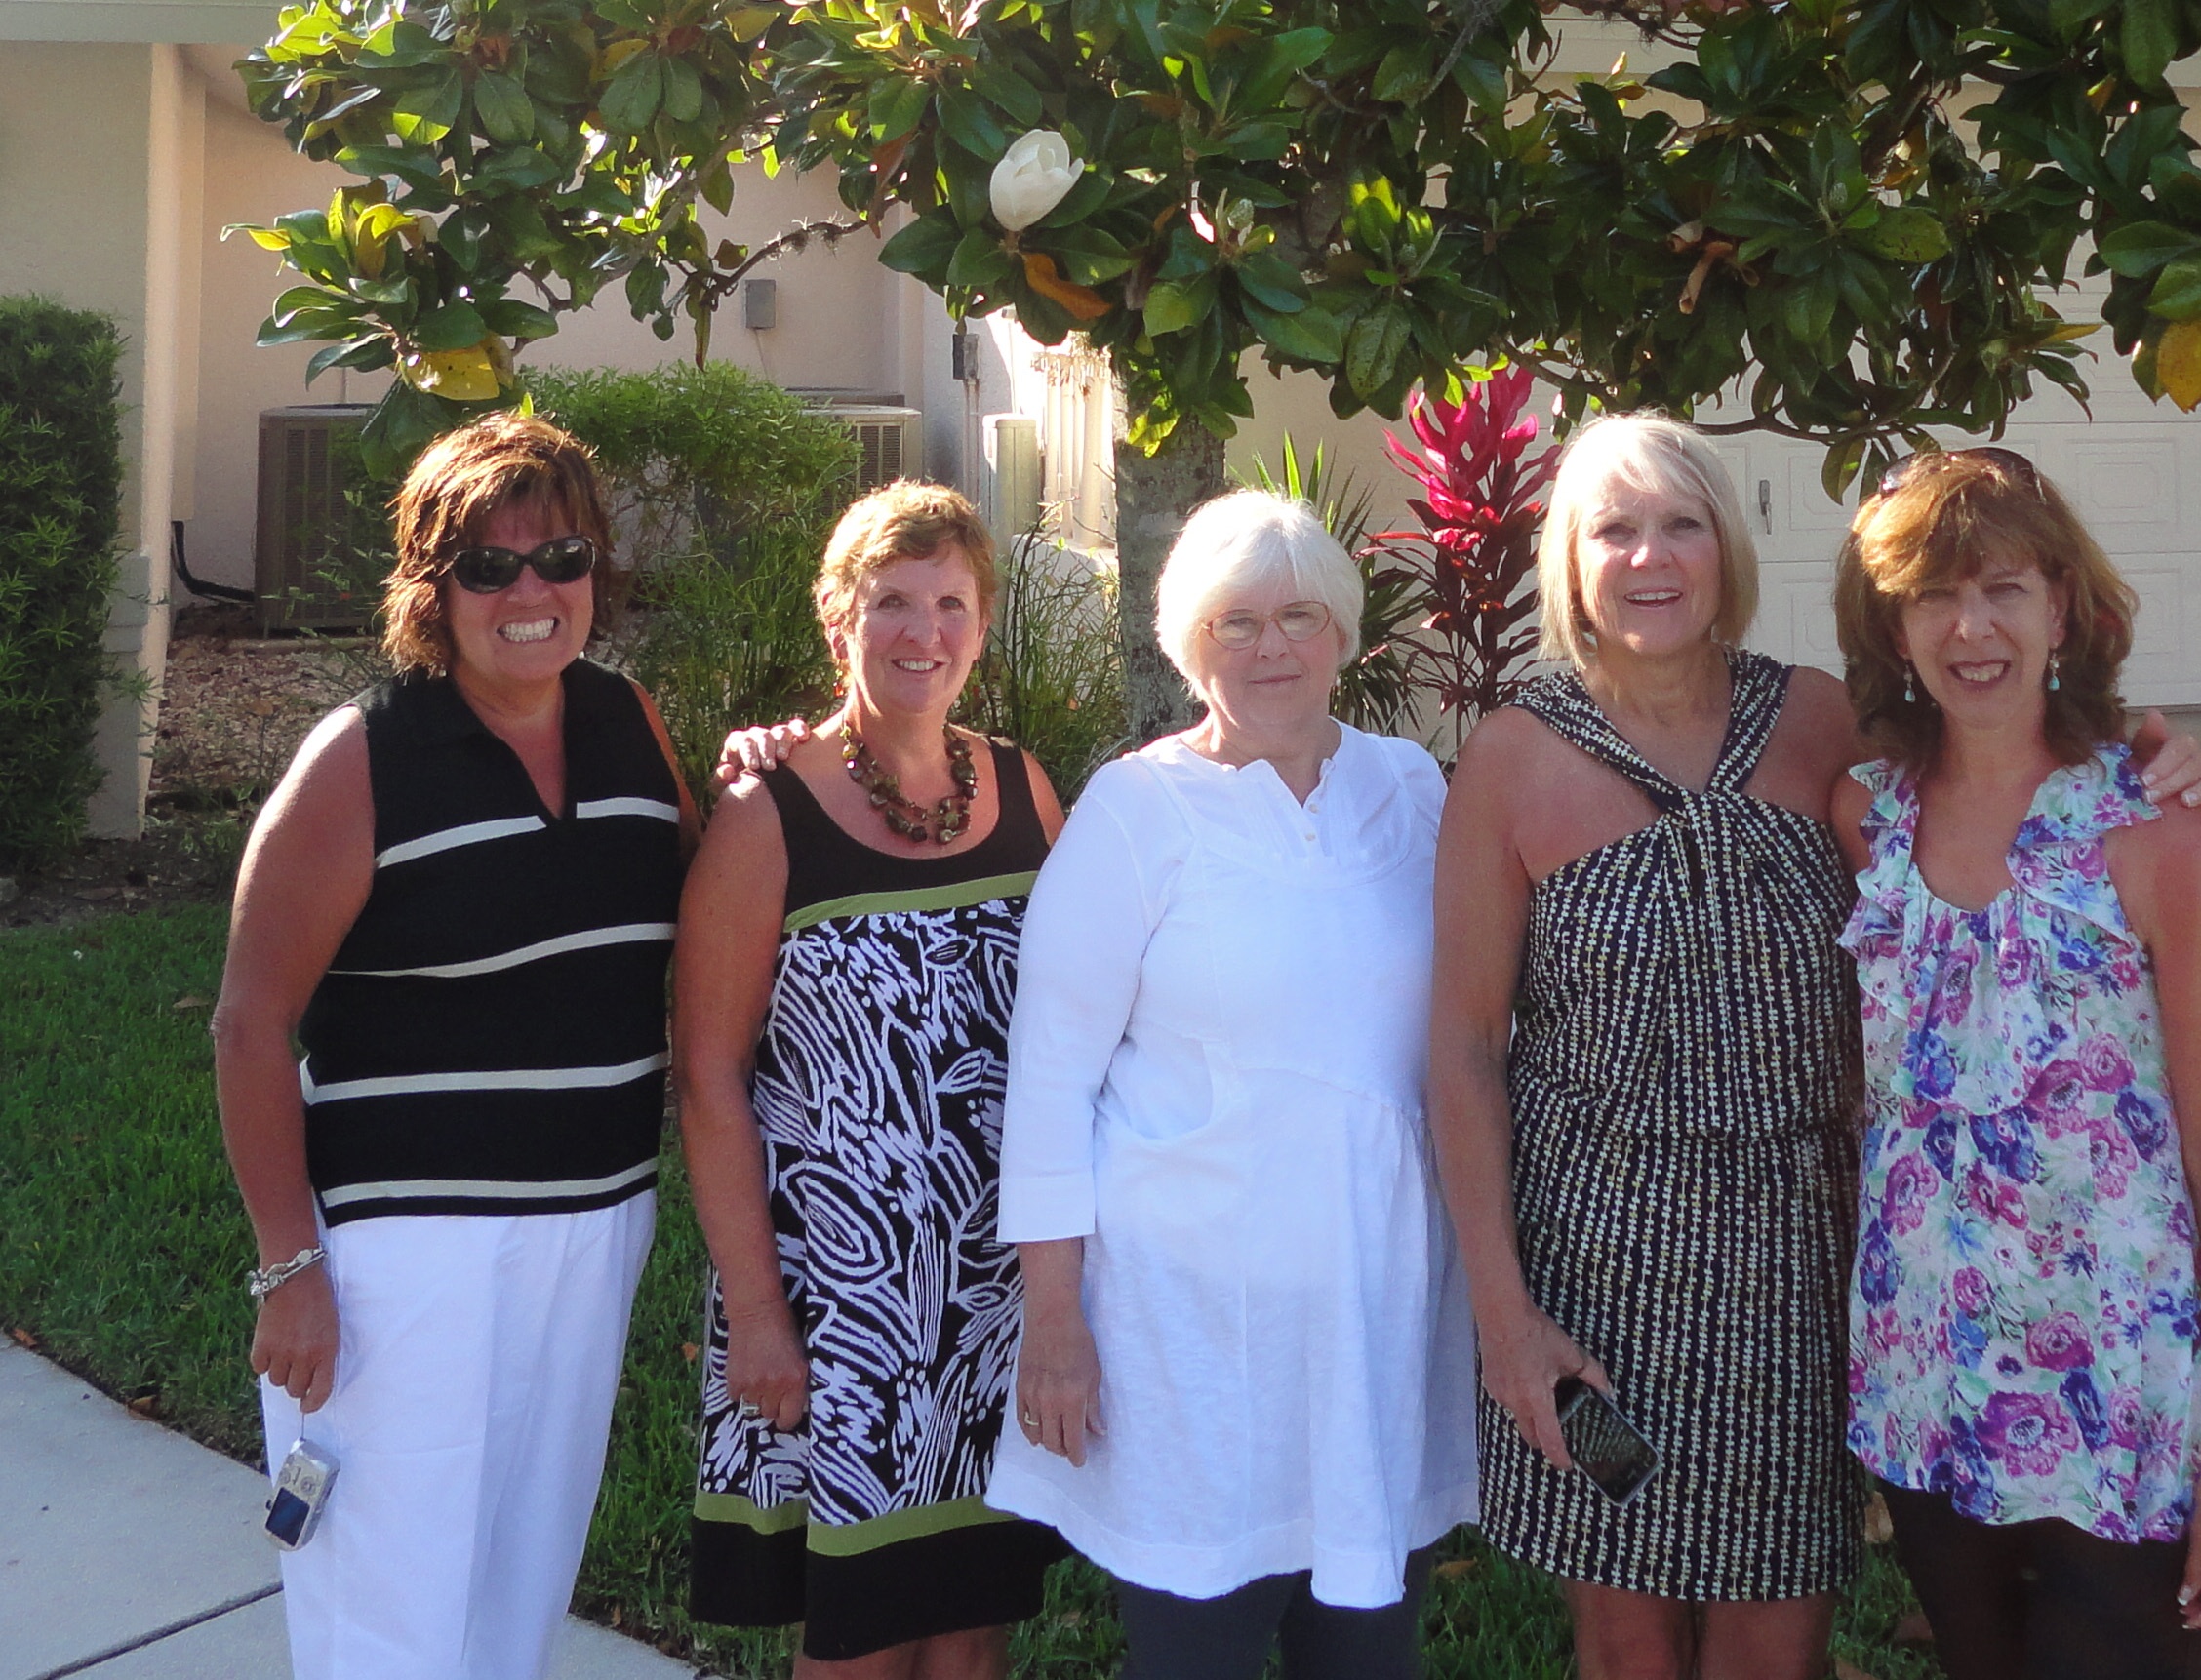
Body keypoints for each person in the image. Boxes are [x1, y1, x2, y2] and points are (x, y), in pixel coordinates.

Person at [1426, 416, 2201, 1679]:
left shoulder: (1814, 722)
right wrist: (1501, 1314)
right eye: (1613, 529)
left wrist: (2144, 749)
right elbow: (1464, 1045)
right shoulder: (1511, 759)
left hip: (1798, 1256)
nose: (1649, 556)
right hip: (1594, 1257)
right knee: (1625, 1638)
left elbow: (1994, 761)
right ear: (1568, 562)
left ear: (1726, 548)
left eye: (1680, 524)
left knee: (1773, 1633)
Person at [213, 413, 697, 1680]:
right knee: (389, 1606)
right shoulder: (362, 757)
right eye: (489, 566)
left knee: (516, 1587)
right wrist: (288, 1266)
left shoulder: (629, 722)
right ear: (433, 589)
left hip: (593, 1224)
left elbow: (705, 909)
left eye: (561, 558)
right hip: (403, 1255)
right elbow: (248, 1024)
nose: (531, 594)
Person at [986, 490, 1478, 1680]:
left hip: (1374, 1313)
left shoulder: (1410, 788)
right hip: (1189, 1340)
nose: (1270, 649)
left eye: (1297, 617)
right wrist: (1053, 1321)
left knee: (1364, 1652)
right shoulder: (1133, 811)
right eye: (1234, 622)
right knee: (1192, 1650)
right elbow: (1048, 1085)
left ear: (1343, 635)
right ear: (1186, 643)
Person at [1828, 448, 2201, 1679]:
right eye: (1932, 596)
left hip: (2120, 1402)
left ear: (2063, 610)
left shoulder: (2158, 835)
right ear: (1892, 626)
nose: (1969, 628)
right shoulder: (1864, 817)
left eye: (2003, 590)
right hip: (1922, 1382)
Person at [675, 481, 1070, 1678]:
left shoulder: (1023, 787)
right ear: (838, 617)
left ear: (981, 626)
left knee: (973, 1628)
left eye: (950, 604)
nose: (923, 632)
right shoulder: (766, 812)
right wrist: (757, 1313)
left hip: (999, 1293)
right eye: (892, 601)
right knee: (860, 1638)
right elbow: (708, 1078)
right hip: (843, 1305)